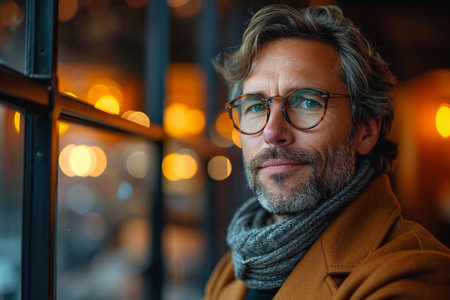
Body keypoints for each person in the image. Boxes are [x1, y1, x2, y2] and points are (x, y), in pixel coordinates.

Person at [203, 4, 450, 300]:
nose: (272, 132)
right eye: (256, 106)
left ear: (365, 131)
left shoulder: (413, 274)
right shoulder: (230, 272)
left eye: (307, 102)